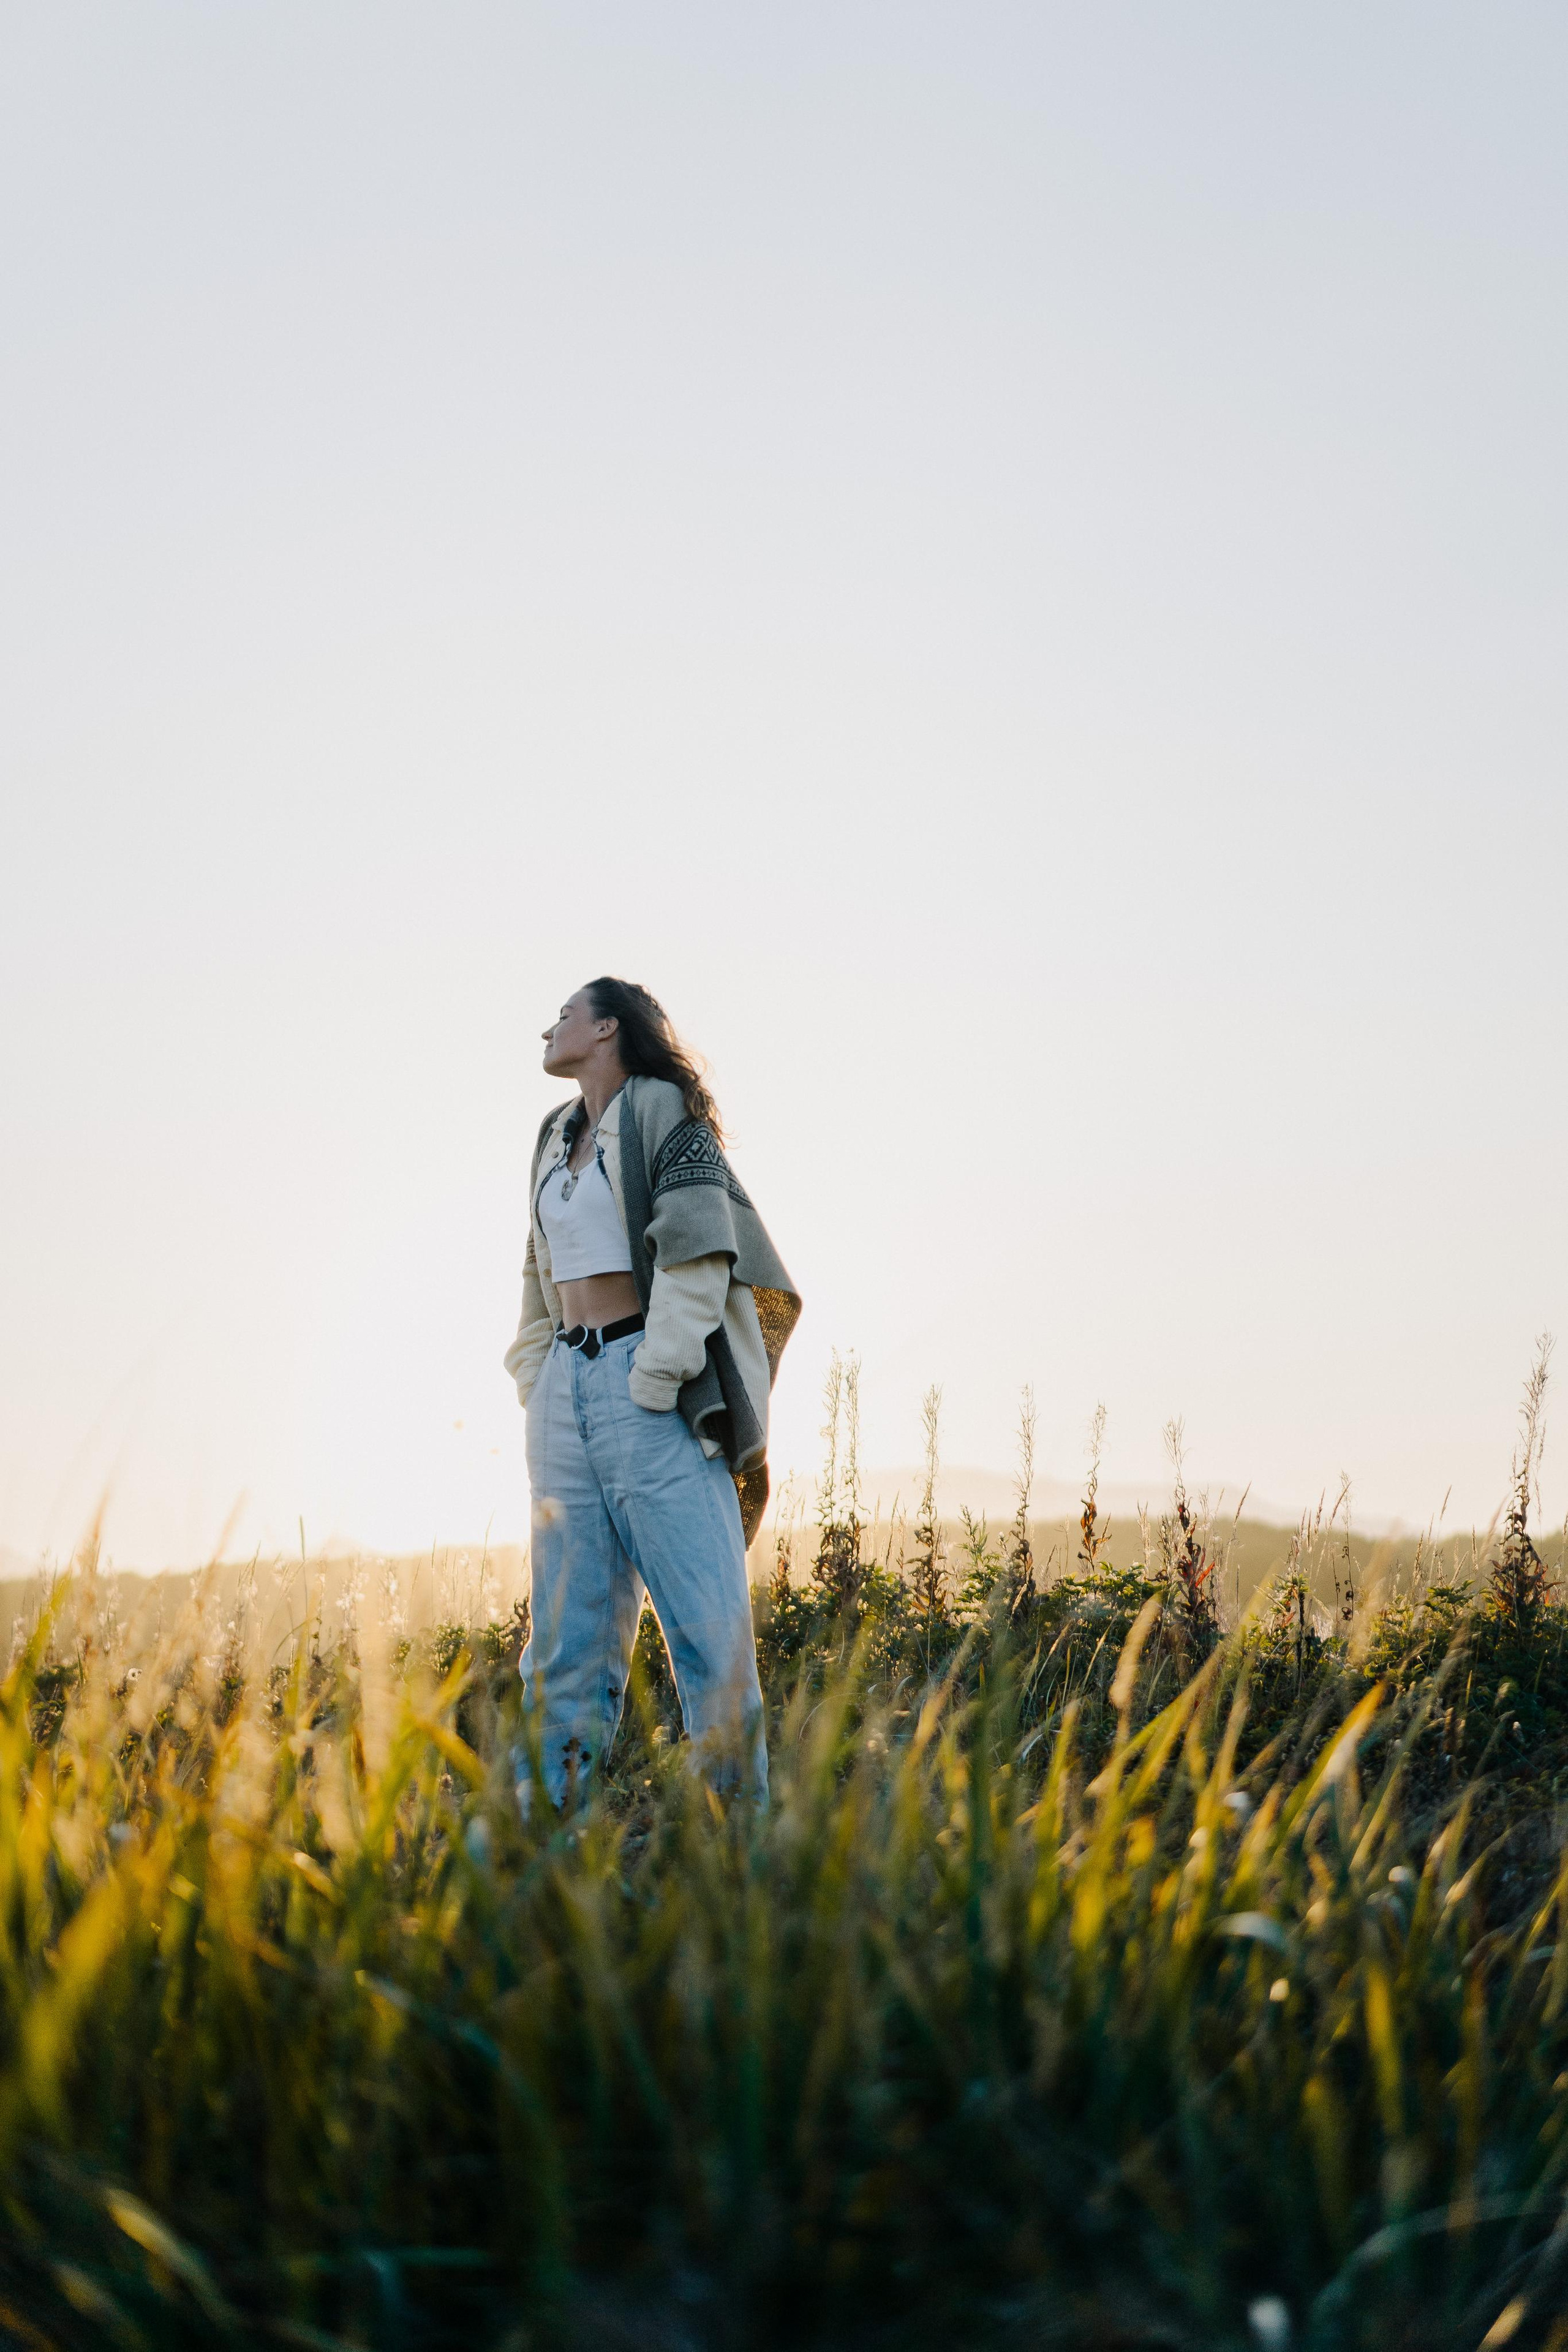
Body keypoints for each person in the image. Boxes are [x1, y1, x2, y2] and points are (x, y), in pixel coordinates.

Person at [504, 978, 801, 1807]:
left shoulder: (660, 1108)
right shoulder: (552, 1134)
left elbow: (699, 1247)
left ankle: (734, 1841)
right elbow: (537, 1266)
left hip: (646, 1385)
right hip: (565, 1389)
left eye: (564, 1013)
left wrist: (657, 1373)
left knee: (709, 1629)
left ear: (606, 1028)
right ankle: (549, 1840)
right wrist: (538, 1373)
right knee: (565, 1641)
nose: (548, 1025)